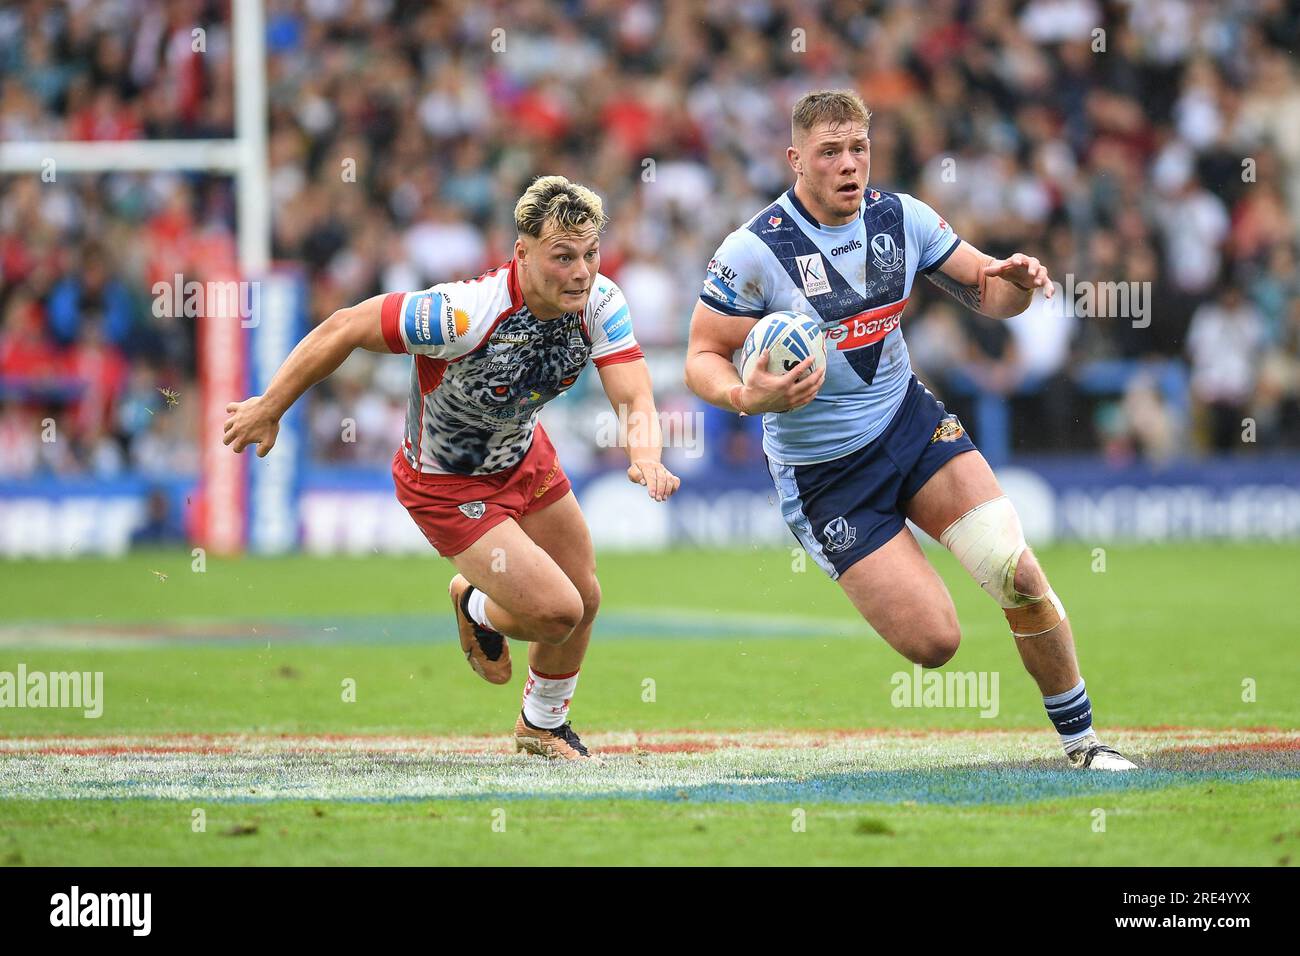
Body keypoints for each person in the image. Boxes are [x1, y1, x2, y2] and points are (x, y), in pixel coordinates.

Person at [685, 90, 1135, 770]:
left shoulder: (901, 217)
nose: (847, 164)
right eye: (829, 152)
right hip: (827, 477)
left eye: (858, 148)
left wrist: (1017, 279)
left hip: (910, 424)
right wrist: (748, 396)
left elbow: (990, 292)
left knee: (1018, 573)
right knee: (935, 643)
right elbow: (700, 355)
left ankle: (1083, 745)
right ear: (795, 159)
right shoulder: (752, 250)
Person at [224, 176, 680, 761]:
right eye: (562, 257)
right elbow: (345, 326)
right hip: (446, 483)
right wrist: (269, 406)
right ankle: (472, 602)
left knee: (585, 597)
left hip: (523, 457)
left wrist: (645, 456)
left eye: (590, 254)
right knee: (557, 611)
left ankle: (541, 725)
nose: (581, 272)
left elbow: (634, 395)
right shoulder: (460, 314)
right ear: (522, 252)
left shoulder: (599, 302)